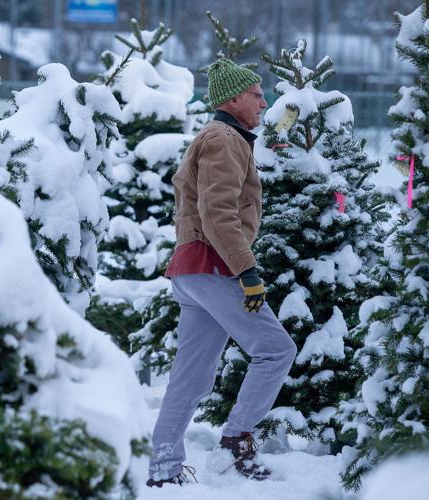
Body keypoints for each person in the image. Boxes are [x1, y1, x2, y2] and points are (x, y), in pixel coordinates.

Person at [147, 58, 297, 487]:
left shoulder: (223, 137)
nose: (264, 102)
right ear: (233, 98)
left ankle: (163, 470)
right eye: (256, 94)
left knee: (191, 376)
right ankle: (236, 442)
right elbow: (218, 213)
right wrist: (246, 270)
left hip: (193, 270)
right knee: (275, 350)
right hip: (212, 265)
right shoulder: (224, 138)